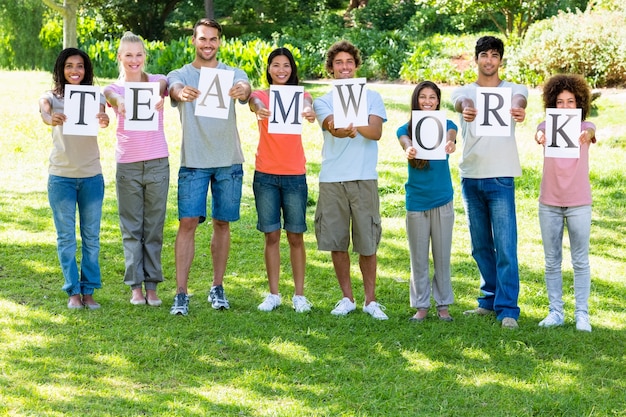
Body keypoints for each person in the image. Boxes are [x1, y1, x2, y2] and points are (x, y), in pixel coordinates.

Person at [167, 18, 251, 316]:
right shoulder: (182, 74)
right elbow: (172, 86)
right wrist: (179, 92)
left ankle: (217, 286)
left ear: (219, 42)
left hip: (228, 160)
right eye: (202, 39)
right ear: (193, 40)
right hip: (194, 161)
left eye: (213, 39)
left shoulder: (231, 73)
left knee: (221, 223)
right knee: (187, 223)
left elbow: (246, 86)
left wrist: (243, 89)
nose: (208, 44)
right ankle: (181, 292)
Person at [451, 36, 528, 329]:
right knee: (480, 246)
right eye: (484, 55)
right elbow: (458, 101)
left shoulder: (514, 90)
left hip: (500, 176)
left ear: (500, 61)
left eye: (495, 55)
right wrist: (466, 105)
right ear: (476, 59)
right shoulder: (464, 91)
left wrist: (518, 109)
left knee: (506, 246)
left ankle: (508, 308)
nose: (489, 60)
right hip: (471, 175)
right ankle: (488, 300)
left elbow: (521, 100)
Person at [313, 40, 388, 320]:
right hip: (333, 179)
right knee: (337, 241)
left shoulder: (372, 97)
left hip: (364, 177)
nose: (344, 67)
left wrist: (356, 125)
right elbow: (331, 126)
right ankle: (347, 298)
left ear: (356, 65)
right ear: (331, 69)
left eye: (348, 62)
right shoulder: (322, 100)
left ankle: (371, 300)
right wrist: (343, 128)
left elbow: (376, 131)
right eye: (338, 63)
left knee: (367, 242)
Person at [39, 48, 109, 309]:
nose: (74, 71)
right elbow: (45, 113)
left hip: (91, 176)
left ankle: (89, 291)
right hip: (61, 178)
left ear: (86, 70)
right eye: (69, 66)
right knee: (66, 238)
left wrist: (104, 118)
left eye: (79, 66)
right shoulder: (50, 97)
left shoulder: (95, 96)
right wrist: (50, 118)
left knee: (91, 238)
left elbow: (103, 117)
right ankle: (73, 292)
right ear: (61, 69)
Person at [104, 32, 170, 307]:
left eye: (139, 54)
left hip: (157, 163)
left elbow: (167, 81)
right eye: (128, 55)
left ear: (145, 57)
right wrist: (118, 104)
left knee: (153, 227)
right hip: (128, 165)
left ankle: (152, 285)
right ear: (120, 57)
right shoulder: (115, 89)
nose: (134, 60)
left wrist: (162, 92)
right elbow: (108, 95)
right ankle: (135, 287)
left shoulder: (156, 83)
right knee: (131, 228)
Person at [248, 47, 316, 313]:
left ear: (292, 69)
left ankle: (299, 295)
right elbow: (254, 102)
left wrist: (309, 112)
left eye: (286, 65)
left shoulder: (302, 96)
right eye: (275, 65)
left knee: (296, 236)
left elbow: (307, 105)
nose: (281, 70)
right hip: (265, 174)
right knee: (272, 235)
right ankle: (274, 293)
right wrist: (260, 108)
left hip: (294, 175)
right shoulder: (261, 95)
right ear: (269, 69)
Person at [534, 74, 596, 332]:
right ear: (552, 103)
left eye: (571, 101)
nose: (565, 106)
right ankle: (555, 311)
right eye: (560, 101)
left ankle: (582, 314)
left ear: (579, 103)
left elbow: (591, 132)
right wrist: (539, 136)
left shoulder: (585, 127)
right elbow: (538, 132)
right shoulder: (545, 127)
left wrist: (587, 134)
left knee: (580, 260)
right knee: (552, 260)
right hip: (549, 201)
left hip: (579, 202)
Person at [396, 81, 457, 323]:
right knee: (418, 257)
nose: (428, 101)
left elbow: (452, 134)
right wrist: (409, 149)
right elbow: (404, 141)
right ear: (416, 100)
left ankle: (443, 305)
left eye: (433, 97)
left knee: (442, 256)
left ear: (438, 101)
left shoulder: (447, 125)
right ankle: (421, 305)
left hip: (442, 198)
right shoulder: (405, 128)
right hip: (417, 200)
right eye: (423, 97)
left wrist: (450, 143)